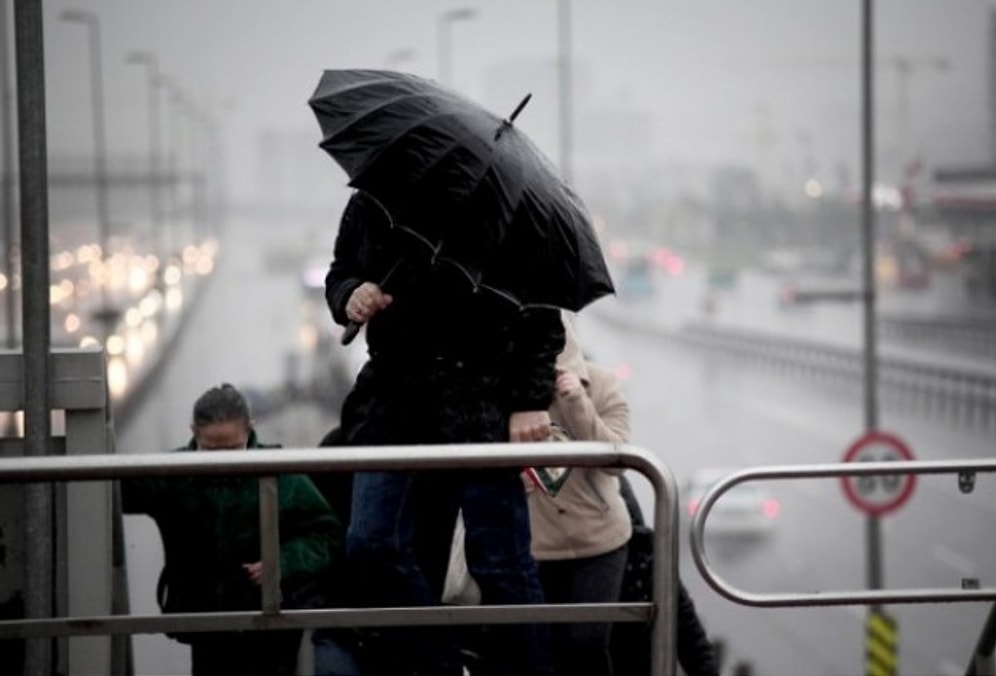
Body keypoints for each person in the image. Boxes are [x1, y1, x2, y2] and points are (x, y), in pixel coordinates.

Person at [325, 190, 564, 676]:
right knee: (371, 543)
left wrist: (529, 401)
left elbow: (542, 317)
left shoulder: (508, 213)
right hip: (393, 404)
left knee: (501, 563)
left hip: (479, 406)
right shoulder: (375, 201)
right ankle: (441, 664)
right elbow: (340, 272)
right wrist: (350, 293)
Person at [120, 383, 343, 676]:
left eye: (233, 449)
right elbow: (112, 492)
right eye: (212, 451)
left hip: (271, 626)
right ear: (194, 433)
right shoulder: (171, 475)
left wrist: (281, 562)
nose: (223, 461)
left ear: (250, 430)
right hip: (208, 625)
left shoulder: (282, 473)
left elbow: (327, 534)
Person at [526, 314, 632, 676]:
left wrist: (575, 402)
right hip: (536, 545)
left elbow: (617, 459)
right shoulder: (507, 391)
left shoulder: (602, 383)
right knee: (540, 649)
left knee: (586, 643)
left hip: (599, 541)